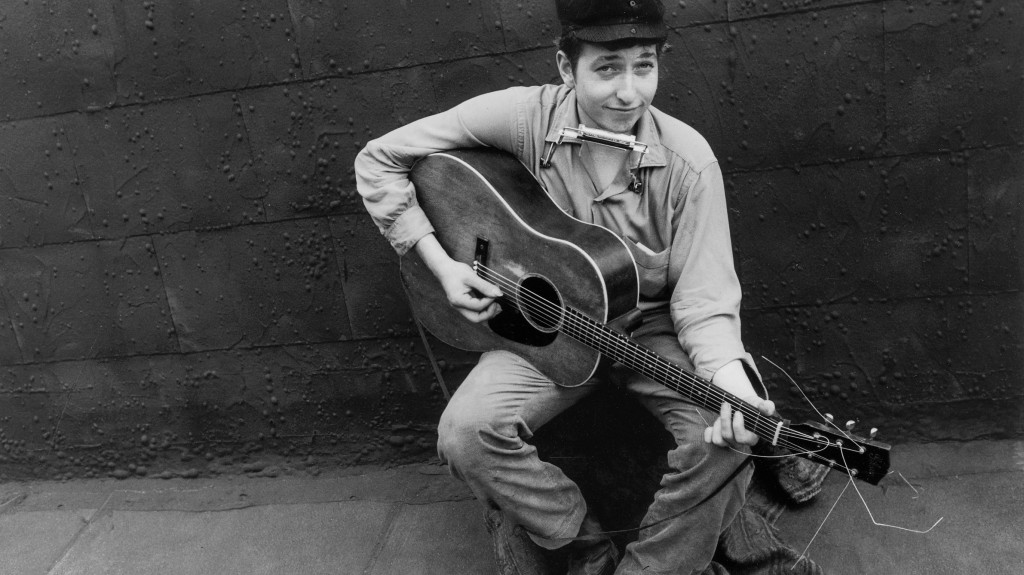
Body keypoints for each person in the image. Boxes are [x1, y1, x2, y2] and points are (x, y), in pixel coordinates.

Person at [355, 1, 776, 573]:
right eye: (607, 68)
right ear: (565, 67)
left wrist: (732, 386)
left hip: (648, 331)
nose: (629, 92)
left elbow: (705, 302)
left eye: (644, 66)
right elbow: (379, 159)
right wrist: (443, 265)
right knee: (464, 434)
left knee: (724, 441)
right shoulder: (523, 118)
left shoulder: (689, 164)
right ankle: (585, 547)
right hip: (548, 334)